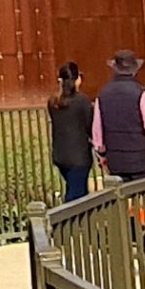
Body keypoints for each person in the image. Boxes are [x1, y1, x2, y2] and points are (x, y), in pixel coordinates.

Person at [93, 51, 145, 184]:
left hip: (116, 161)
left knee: (125, 199)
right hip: (143, 161)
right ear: (134, 71)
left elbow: (97, 132)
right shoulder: (142, 93)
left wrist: (102, 156)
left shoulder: (102, 94)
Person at [47, 60, 98, 203]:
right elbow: (90, 126)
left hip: (60, 155)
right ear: (77, 80)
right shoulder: (82, 101)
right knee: (76, 197)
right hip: (79, 157)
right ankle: (71, 223)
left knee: (74, 188)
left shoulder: (53, 102)